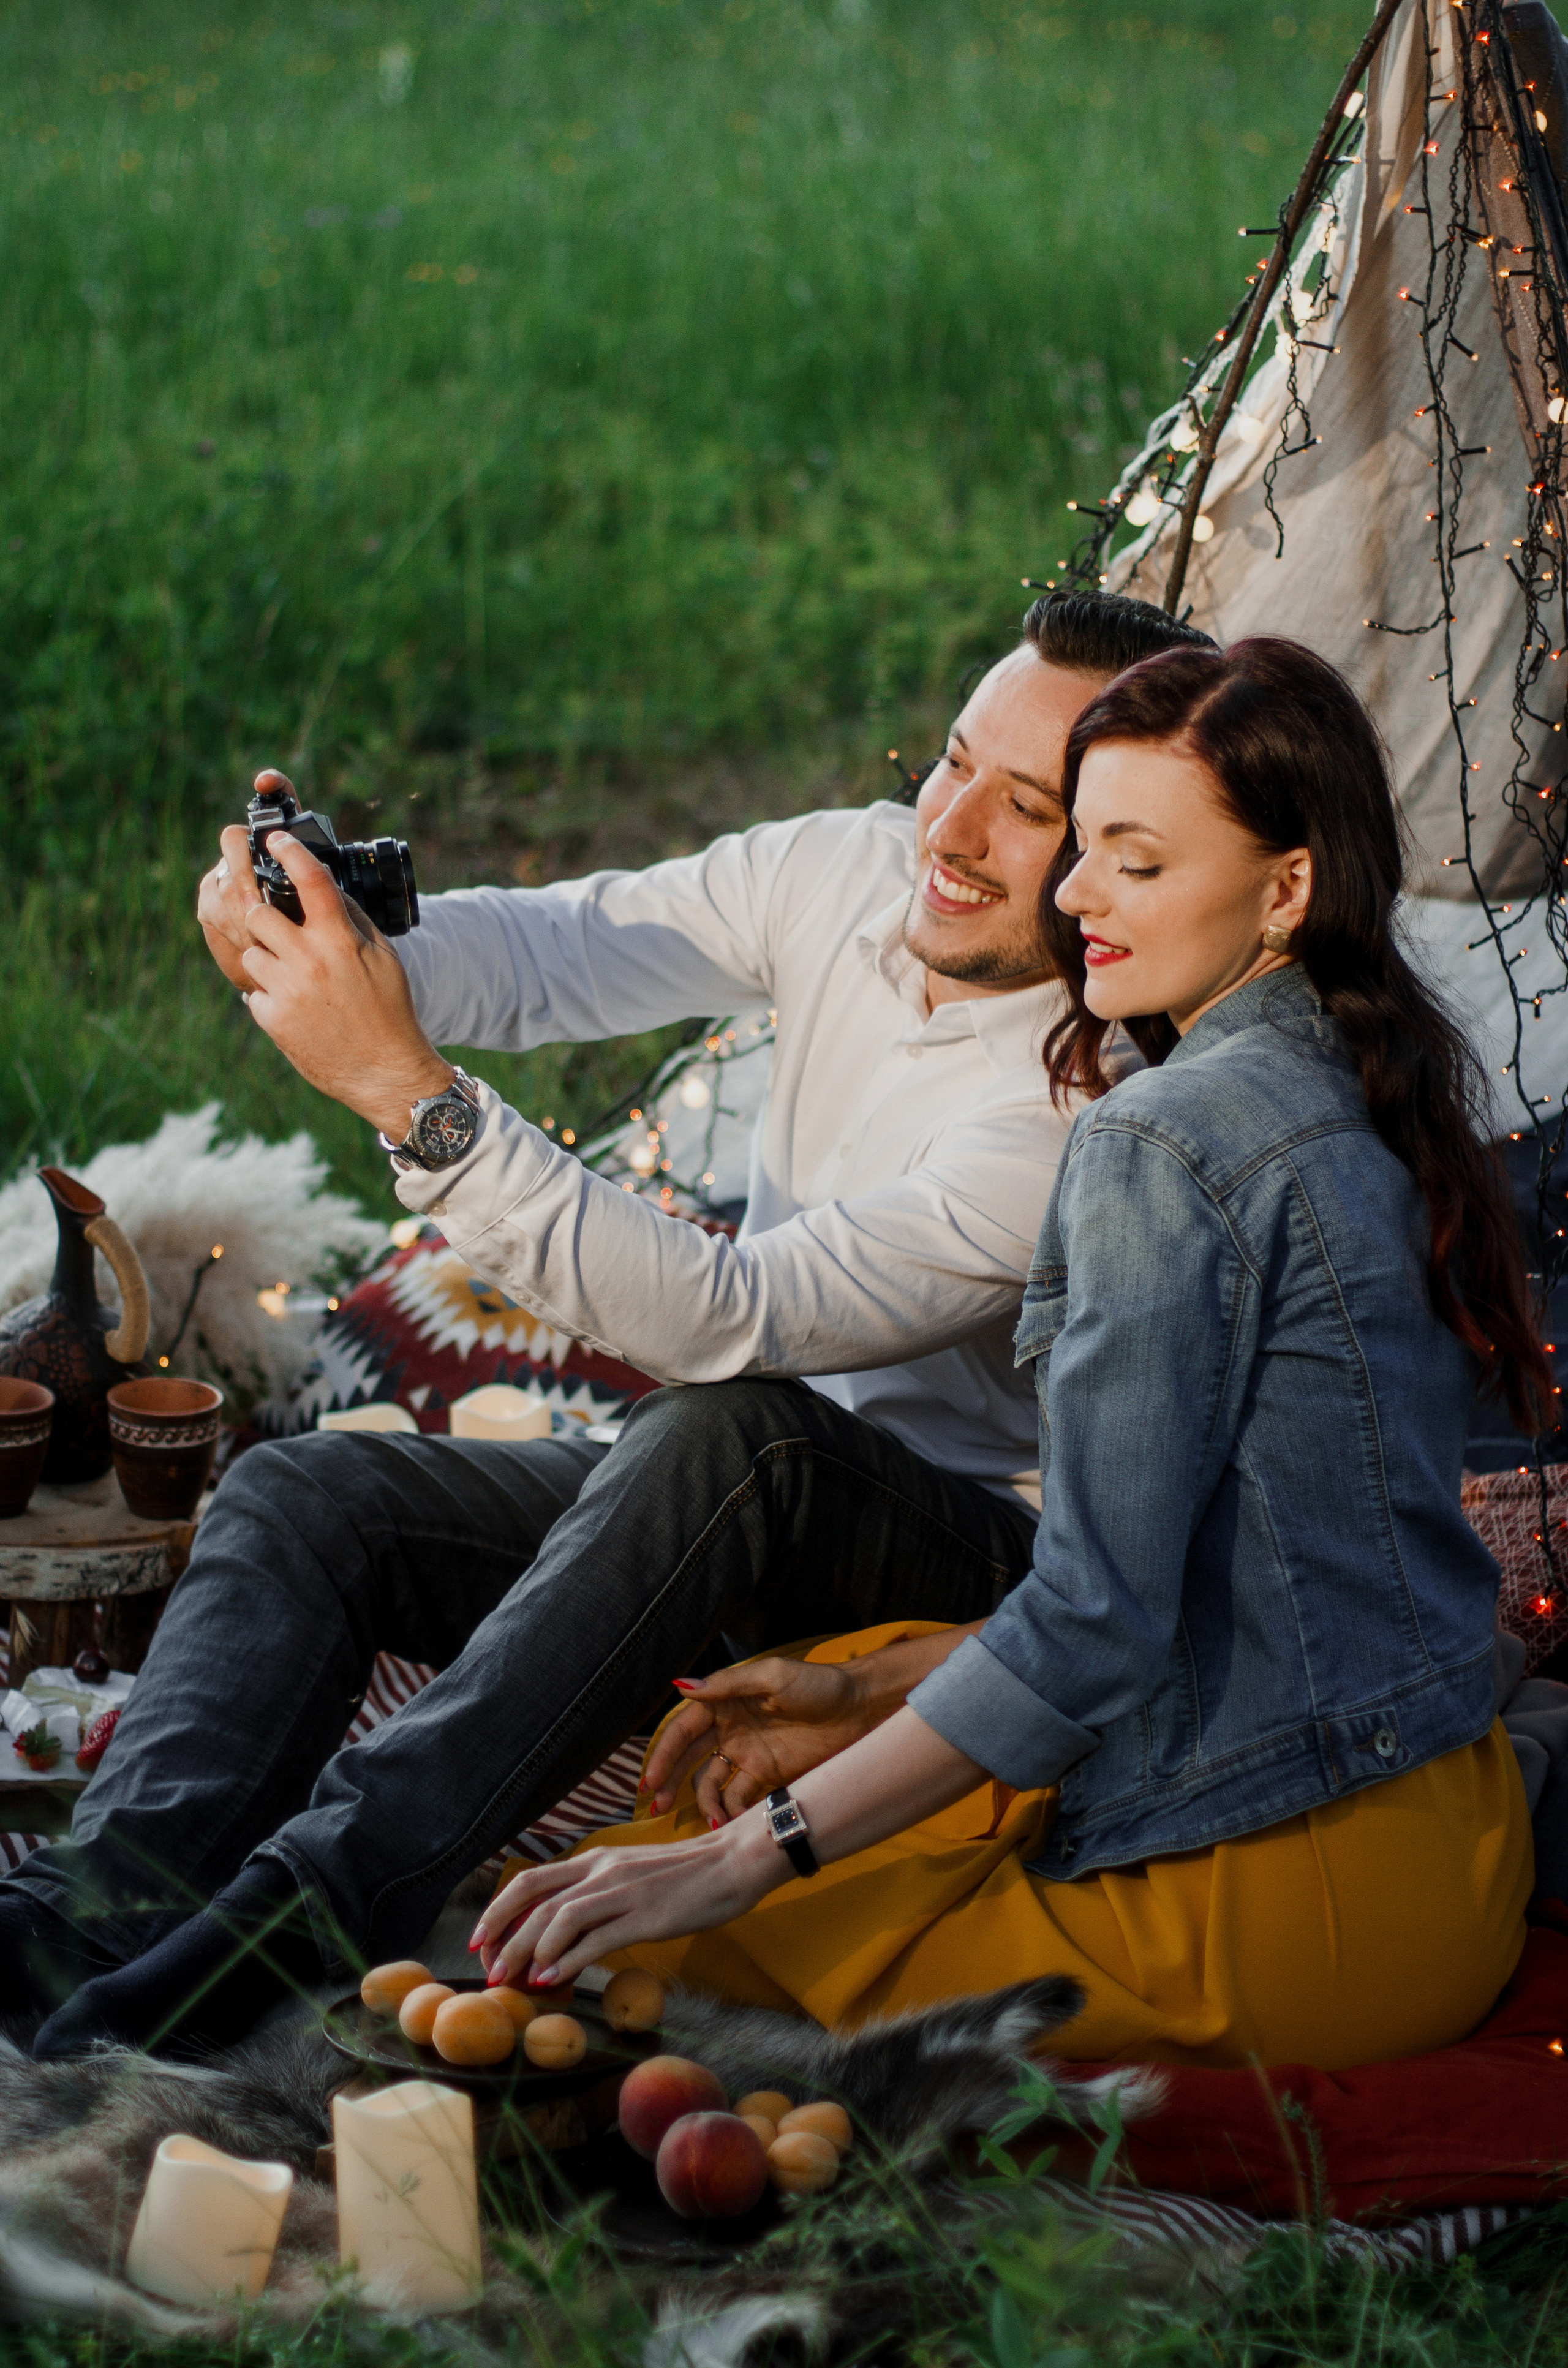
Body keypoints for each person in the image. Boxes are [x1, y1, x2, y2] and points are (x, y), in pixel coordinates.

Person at [9, 592, 1215, 2057]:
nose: (948, 831)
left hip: (970, 1570)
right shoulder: (846, 869)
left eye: (1022, 809)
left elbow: (731, 1320)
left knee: (734, 1431)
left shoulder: (1085, 1115)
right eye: (950, 762)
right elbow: (558, 950)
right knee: (303, 1489)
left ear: (1115, 860)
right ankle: (92, 1912)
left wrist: (411, 1095)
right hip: (719, 1499)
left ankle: (300, 1916)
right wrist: (331, 929)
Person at [468, 636, 1547, 2074]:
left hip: (1281, 1895)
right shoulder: (1366, 1072)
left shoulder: (1156, 1139)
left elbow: (1095, 1622)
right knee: (808, 1723)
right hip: (1447, 1839)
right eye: (1083, 845)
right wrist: (870, 1691)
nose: (1076, 898)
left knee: (648, 1929)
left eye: (1136, 864)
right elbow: (1220, 1560)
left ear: (1284, 885)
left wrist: (744, 1867)